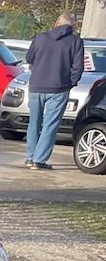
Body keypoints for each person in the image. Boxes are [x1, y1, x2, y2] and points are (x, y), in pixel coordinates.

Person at [23, 12, 85, 169]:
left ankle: (30, 157)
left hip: (36, 86)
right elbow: (78, 67)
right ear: (73, 25)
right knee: (50, 125)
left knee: (34, 123)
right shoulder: (76, 42)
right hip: (59, 88)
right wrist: (71, 83)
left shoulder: (41, 38)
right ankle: (39, 160)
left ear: (58, 22)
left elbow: (29, 58)